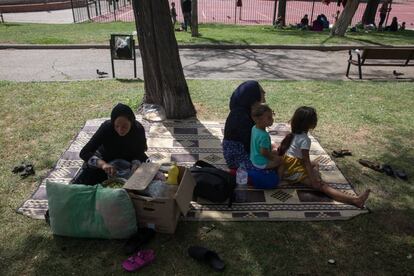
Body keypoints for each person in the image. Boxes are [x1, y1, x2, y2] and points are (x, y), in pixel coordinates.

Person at [278, 106, 370, 208]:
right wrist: (313, 180)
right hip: (294, 169)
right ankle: (355, 200)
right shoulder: (305, 140)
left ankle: (315, 178)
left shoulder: (293, 134)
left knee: (316, 164)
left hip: (288, 164)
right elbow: (306, 161)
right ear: (311, 123)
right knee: (322, 186)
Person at [75, 103, 148, 185]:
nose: (120, 130)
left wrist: (136, 163)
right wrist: (103, 165)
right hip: (107, 159)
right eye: (117, 126)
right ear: (113, 123)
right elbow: (84, 153)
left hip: (129, 160)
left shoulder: (138, 129)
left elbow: (140, 150)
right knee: (90, 177)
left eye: (125, 126)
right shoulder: (106, 128)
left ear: (131, 122)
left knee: (146, 174)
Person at [223, 81, 265, 170]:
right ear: (252, 96)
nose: (264, 95)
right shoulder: (242, 118)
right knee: (271, 172)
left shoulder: (242, 112)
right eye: (261, 92)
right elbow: (251, 147)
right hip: (238, 159)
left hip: (240, 154)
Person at [250, 103, 283, 178]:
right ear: (258, 120)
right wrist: (274, 158)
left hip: (253, 159)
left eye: (272, 116)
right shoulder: (264, 135)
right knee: (281, 161)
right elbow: (263, 152)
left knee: (276, 152)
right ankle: (279, 180)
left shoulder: (254, 128)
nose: (272, 119)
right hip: (261, 163)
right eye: (269, 117)